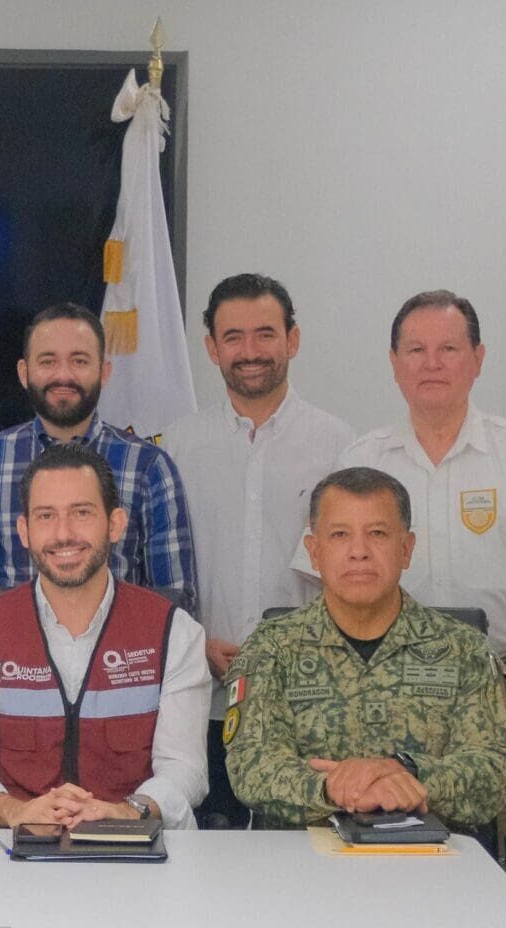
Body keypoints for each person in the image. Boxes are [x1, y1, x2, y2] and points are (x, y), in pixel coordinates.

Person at [340, 290, 506, 842]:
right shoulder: (362, 459)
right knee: (383, 848)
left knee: (500, 851)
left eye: (449, 349)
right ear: (394, 363)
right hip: (379, 693)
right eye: (416, 350)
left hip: (494, 689)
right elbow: (335, 582)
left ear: (478, 359)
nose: (432, 363)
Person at [0, 443, 210, 830]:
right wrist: (16, 811)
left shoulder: (174, 631)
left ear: (115, 524)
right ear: (24, 531)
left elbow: (185, 770)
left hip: (134, 848)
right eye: (46, 516)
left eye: (81, 513)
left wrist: (123, 812)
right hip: (10, 850)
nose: (63, 534)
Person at [161, 273, 351, 827]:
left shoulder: (340, 445)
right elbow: (158, 572)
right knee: (209, 852)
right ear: (211, 348)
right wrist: (193, 643)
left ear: (293, 339)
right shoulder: (176, 446)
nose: (250, 351)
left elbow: (353, 577)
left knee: (301, 855)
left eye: (265, 334)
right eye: (234, 337)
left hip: (307, 699)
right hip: (203, 693)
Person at [224, 467, 506, 830]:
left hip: (432, 857)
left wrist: (407, 773)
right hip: (301, 857)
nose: (359, 552)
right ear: (314, 552)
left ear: (406, 549)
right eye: (340, 534)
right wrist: (333, 788)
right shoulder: (271, 648)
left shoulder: (463, 649)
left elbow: (493, 772)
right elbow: (251, 766)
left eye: (377, 533)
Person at [0, 303, 197, 608]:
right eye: (48, 361)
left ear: (104, 372)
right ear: (24, 373)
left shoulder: (148, 466)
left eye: (79, 361)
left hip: (122, 638)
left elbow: (175, 601)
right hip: (12, 637)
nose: (63, 375)